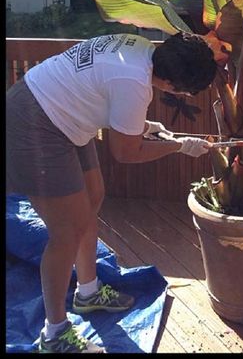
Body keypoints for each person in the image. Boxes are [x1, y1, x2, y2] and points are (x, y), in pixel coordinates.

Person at [6, 31, 217, 353]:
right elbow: (126, 152)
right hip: (34, 123)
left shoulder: (141, 49)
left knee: (92, 199)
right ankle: (54, 335)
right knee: (66, 232)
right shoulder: (134, 82)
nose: (183, 95)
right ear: (173, 84)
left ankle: (87, 293)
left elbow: (100, 88)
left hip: (62, 114)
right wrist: (178, 147)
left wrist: (145, 126)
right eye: (185, 91)